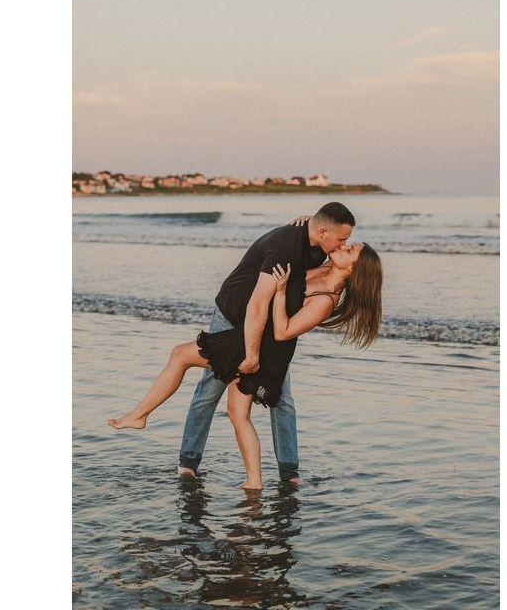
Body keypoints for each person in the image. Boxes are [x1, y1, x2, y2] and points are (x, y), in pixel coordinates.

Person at [108, 204, 382, 488]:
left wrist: (277, 296)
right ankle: (253, 482)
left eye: (349, 247)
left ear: (354, 269)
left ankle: (140, 416)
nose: (344, 244)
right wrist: (307, 222)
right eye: (344, 240)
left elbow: (282, 329)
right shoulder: (320, 258)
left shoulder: (326, 297)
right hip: (252, 334)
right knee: (237, 413)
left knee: (182, 357)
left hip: (263, 345)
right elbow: (309, 236)